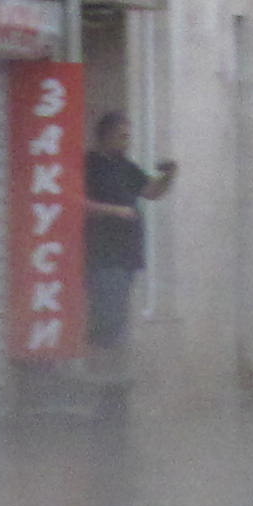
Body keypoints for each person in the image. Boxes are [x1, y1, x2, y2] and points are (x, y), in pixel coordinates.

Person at [80, 109, 174, 358]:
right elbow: (74, 202)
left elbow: (152, 192)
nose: (127, 140)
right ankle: (100, 374)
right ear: (105, 135)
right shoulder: (89, 164)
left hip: (126, 256)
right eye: (122, 135)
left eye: (128, 135)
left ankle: (111, 380)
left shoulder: (125, 166)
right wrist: (114, 211)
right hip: (102, 255)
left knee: (117, 319)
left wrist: (169, 176)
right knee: (106, 321)